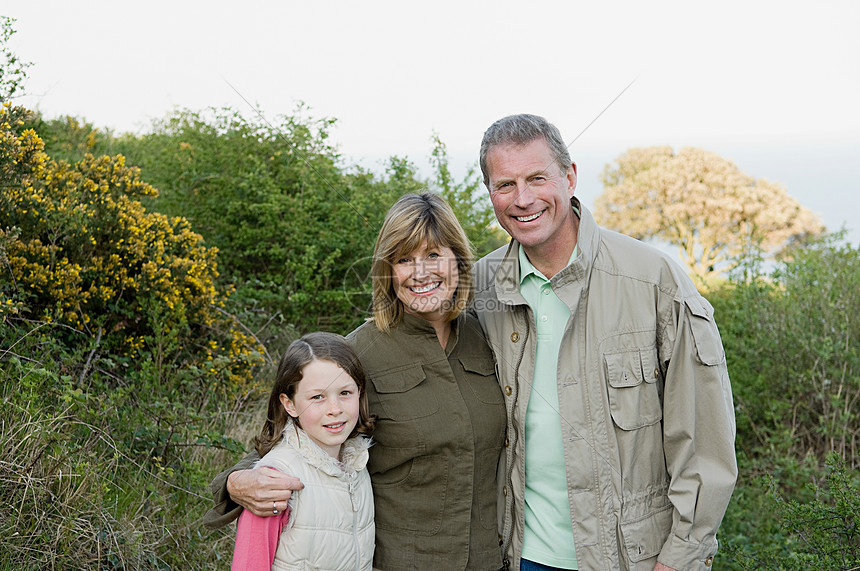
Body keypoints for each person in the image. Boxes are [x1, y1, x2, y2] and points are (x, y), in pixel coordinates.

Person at [472, 114, 737, 571]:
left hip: (633, 559)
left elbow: (705, 444)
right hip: (519, 555)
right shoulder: (481, 286)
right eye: (505, 185)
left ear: (570, 176)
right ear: (490, 193)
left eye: (537, 178)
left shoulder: (654, 279)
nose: (524, 199)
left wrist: (680, 558)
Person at [206, 193, 507, 570]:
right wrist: (236, 481)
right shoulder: (359, 352)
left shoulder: (489, 338)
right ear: (387, 271)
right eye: (404, 259)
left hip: (490, 561)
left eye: (433, 255)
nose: (421, 272)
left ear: (459, 262)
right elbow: (295, 433)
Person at [231, 331, 375, 570]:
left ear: (359, 392)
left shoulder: (358, 465)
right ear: (290, 404)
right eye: (317, 397)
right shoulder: (273, 480)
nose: (334, 409)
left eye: (345, 393)